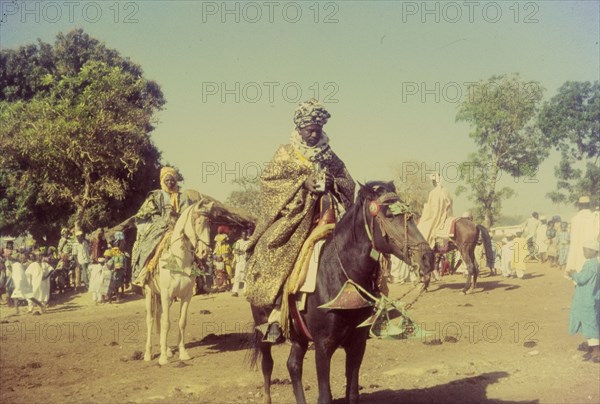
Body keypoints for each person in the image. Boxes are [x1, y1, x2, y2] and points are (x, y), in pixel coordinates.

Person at [245, 99, 355, 340]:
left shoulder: (329, 155)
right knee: (269, 248)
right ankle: (273, 314)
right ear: (300, 129)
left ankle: (371, 306)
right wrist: (301, 184)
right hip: (295, 217)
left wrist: (332, 183)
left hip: (327, 215)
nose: (314, 134)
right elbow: (269, 183)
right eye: (309, 130)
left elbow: (349, 183)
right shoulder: (285, 152)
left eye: (317, 129)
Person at [131, 166, 194, 288]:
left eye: (172, 180)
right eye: (167, 180)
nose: (170, 183)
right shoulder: (156, 195)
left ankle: (197, 276)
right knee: (151, 246)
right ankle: (144, 273)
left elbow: (187, 212)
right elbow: (148, 213)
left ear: (176, 181)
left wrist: (179, 219)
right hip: (161, 227)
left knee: (194, 247)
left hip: (180, 227)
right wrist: (166, 220)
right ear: (162, 181)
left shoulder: (183, 197)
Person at [565, 239, 600, 363]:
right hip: (590, 297)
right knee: (589, 323)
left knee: (590, 324)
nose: (584, 252)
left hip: (587, 299)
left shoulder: (591, 264)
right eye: (584, 249)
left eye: (587, 250)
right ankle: (592, 350)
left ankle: (596, 351)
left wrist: (573, 274)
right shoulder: (594, 263)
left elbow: (582, 279)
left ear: (595, 251)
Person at [417, 173, 453, 248]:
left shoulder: (433, 193)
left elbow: (430, 208)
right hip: (446, 214)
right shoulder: (445, 190)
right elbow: (450, 203)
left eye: (433, 181)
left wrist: (425, 207)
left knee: (421, 227)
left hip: (435, 216)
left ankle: (425, 245)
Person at [566, 196, 600, 275]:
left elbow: (573, 239)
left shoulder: (574, 219)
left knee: (578, 270)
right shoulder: (595, 217)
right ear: (589, 205)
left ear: (579, 205)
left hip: (578, 251)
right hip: (592, 251)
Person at [231, 230, 250, 297]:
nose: (244, 236)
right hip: (239, 261)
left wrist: (241, 252)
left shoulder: (249, 242)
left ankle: (245, 291)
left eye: (245, 234)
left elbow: (248, 252)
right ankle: (235, 291)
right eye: (243, 234)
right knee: (237, 276)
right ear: (241, 235)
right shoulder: (238, 242)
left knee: (245, 276)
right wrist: (242, 252)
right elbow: (235, 250)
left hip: (246, 261)